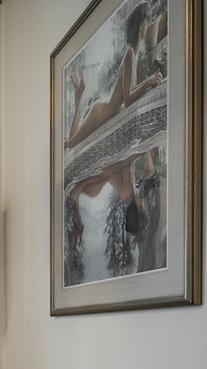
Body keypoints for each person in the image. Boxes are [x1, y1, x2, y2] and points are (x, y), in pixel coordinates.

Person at [65, 2, 165, 150]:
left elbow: (130, 89)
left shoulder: (134, 54)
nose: (148, 25)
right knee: (70, 143)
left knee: (70, 140)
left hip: (105, 110)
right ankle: (79, 93)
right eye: (147, 22)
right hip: (100, 112)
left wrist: (149, 81)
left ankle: (79, 93)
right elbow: (128, 99)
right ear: (141, 26)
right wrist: (148, 82)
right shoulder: (130, 53)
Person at [65, 146, 163, 280]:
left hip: (97, 180)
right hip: (94, 183)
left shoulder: (127, 193)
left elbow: (124, 163)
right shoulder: (129, 196)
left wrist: (146, 157)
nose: (144, 204)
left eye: (143, 209)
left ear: (139, 209)